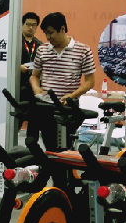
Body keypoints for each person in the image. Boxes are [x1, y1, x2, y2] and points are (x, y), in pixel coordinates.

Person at [27, 11, 95, 149]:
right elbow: (34, 76)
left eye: (51, 33)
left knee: (65, 146)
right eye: (45, 33)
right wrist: (36, 89)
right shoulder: (42, 50)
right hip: (46, 105)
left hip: (68, 107)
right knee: (50, 145)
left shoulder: (83, 50)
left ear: (62, 29)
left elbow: (90, 82)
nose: (48, 37)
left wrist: (72, 95)